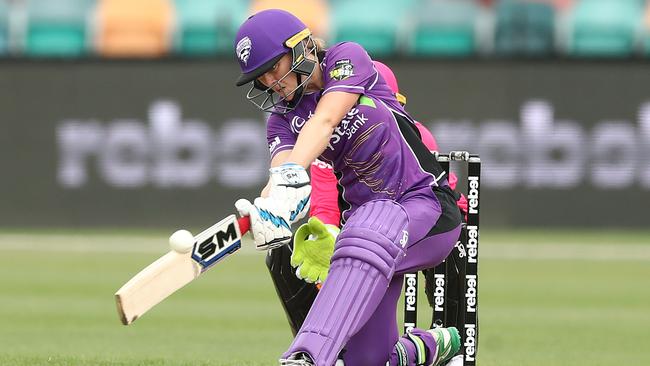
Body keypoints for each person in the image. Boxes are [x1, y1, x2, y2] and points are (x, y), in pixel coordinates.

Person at [233, 9, 462, 366]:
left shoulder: (346, 58)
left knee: (361, 234)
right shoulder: (280, 122)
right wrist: (269, 208)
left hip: (426, 207)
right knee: (367, 360)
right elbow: (281, 175)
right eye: (260, 77)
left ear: (301, 46)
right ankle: (423, 350)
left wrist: (291, 172)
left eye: (273, 67)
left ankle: (307, 355)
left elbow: (325, 120)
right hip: (370, 233)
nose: (270, 81)